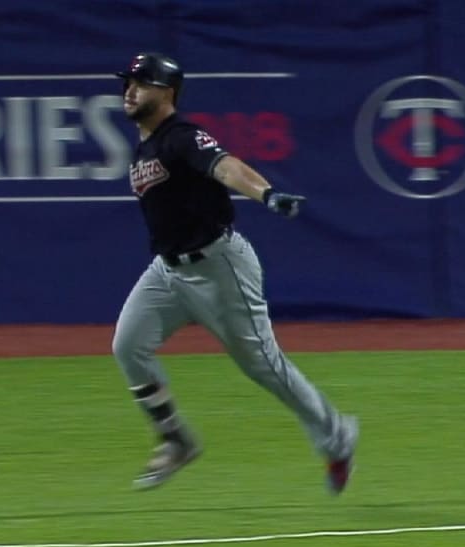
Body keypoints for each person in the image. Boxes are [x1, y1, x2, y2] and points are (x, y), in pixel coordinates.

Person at [111, 52, 359, 494]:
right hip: (168, 272)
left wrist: (266, 194)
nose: (129, 89)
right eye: (127, 82)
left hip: (218, 267)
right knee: (128, 346)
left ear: (166, 92)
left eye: (140, 82)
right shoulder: (147, 145)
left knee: (265, 366)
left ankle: (337, 436)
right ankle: (176, 439)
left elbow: (226, 166)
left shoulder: (182, 136)